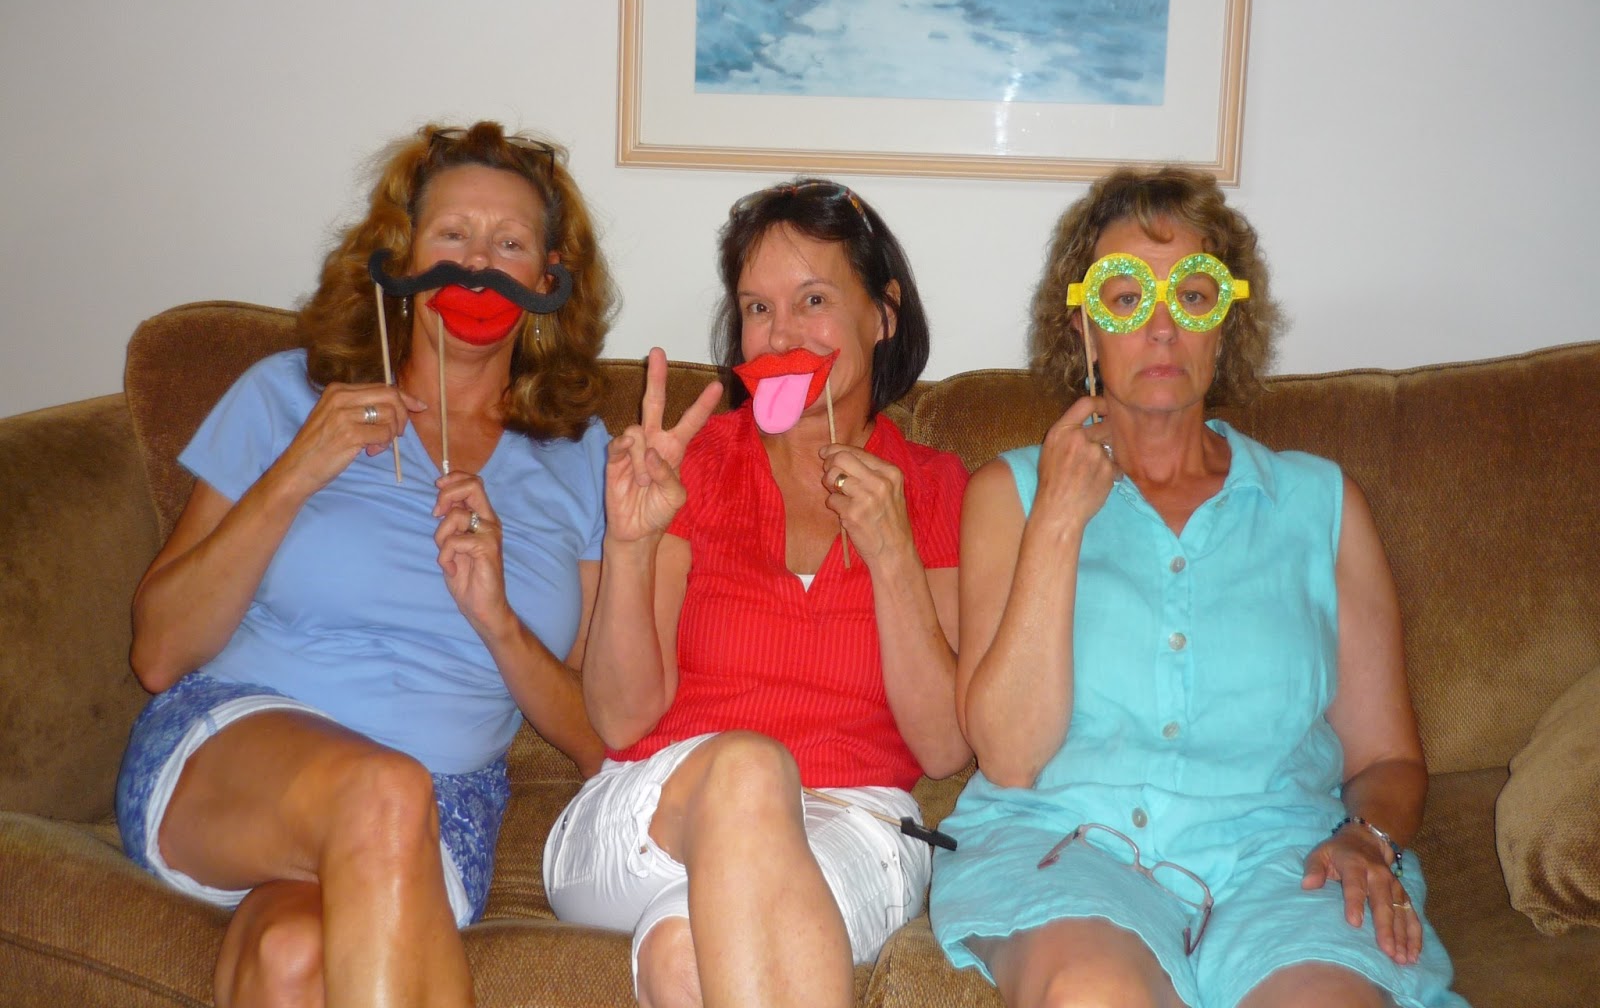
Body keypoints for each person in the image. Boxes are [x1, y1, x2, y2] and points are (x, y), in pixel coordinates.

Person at [930, 167, 1467, 1008]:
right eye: (1124, 297)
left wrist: (1368, 836)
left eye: (1192, 293)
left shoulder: (1320, 504)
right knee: (1093, 992)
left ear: (1227, 322)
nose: (1160, 326)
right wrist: (1061, 521)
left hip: (1281, 863)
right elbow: (1009, 753)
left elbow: (1387, 758)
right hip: (1068, 846)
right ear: (1084, 328)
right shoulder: (1012, 494)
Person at [116, 122, 615, 1008]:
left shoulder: (581, 457)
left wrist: (497, 618)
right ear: (401, 259)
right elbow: (158, 652)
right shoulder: (289, 395)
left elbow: (598, 736)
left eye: (509, 244)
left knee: (292, 959)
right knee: (383, 791)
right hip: (231, 756)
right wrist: (297, 470)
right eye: (452, 236)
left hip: (445, 804)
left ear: (549, 281)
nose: (477, 267)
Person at [544, 179, 971, 1008]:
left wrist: (892, 553)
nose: (780, 334)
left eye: (813, 300)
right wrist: (630, 544)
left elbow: (945, 748)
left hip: (851, 821)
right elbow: (622, 721)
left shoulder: (938, 488)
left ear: (883, 314)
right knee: (747, 769)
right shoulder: (693, 465)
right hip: (651, 808)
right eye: (757, 308)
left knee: (684, 956)